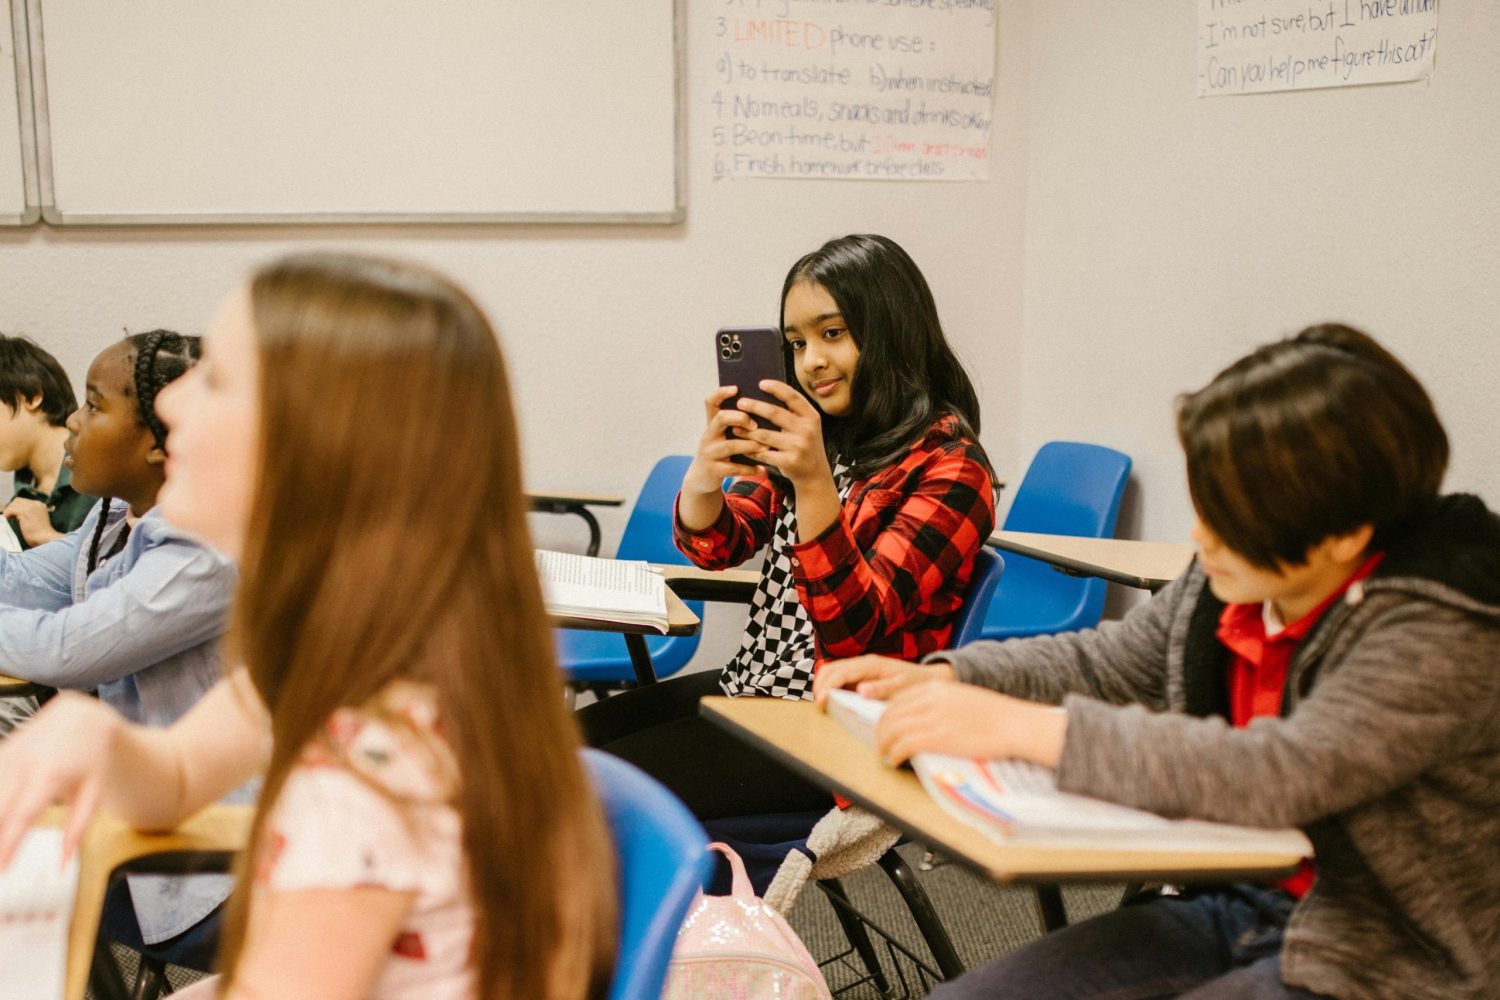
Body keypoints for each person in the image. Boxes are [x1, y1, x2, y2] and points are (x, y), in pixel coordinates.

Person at [815, 324, 1500, 1000]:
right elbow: (1108, 661)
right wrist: (951, 676)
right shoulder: (1235, 580)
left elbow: (1281, 773)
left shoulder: (1440, 626)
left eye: (1232, 515)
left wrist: (1022, 730)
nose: (1202, 535)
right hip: (1237, 903)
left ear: (1346, 533)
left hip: (1392, 955)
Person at [0, 253, 616, 1000]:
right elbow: (182, 774)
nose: (172, 407)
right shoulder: (332, 656)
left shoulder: (373, 772)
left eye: (218, 380)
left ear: (320, 447)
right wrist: (103, 741)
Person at [580, 233, 996, 831]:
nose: (811, 363)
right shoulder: (820, 434)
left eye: (833, 334)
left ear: (892, 330)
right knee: (556, 752)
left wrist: (814, 483)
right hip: (753, 688)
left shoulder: (952, 468)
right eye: (797, 344)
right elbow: (719, 545)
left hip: (840, 737)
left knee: (585, 799)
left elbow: (854, 632)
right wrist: (704, 477)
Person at [0, 329, 237, 952]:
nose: (73, 420)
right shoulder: (117, 517)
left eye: (95, 404)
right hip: (139, 814)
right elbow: (24, 582)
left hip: (204, 863)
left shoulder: (207, 549)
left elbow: (64, 652)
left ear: (162, 441)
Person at [0, 333, 95, 548]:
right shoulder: (22, 496)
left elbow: (128, 566)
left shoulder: (103, 471)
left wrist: (47, 536)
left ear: (32, 395)